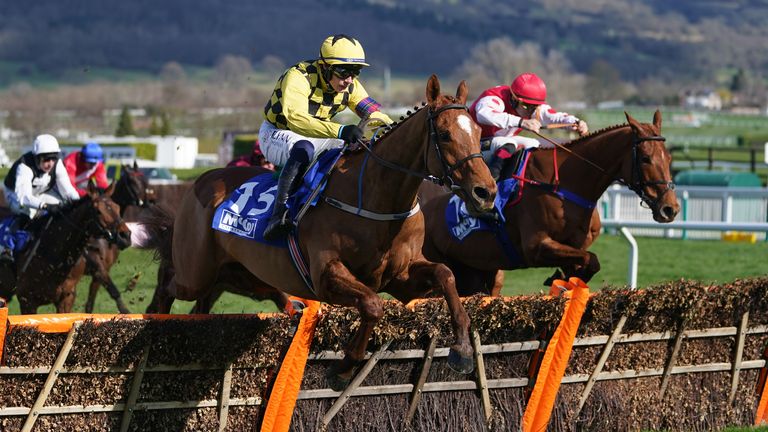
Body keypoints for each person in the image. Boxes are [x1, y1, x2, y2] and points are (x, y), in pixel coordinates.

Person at [259, 34, 393, 240]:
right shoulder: (297, 77)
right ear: (324, 67)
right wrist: (340, 130)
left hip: (316, 134)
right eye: (343, 71)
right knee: (304, 148)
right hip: (277, 133)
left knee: (356, 148)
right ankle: (279, 216)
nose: (348, 79)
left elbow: (372, 113)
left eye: (355, 72)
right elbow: (297, 120)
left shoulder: (351, 85)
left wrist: (393, 128)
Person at [468, 72, 590, 180]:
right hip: (473, 145)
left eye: (535, 107)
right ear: (513, 99)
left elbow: (553, 116)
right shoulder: (494, 97)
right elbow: (483, 115)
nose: (531, 111)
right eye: (527, 106)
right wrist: (522, 122)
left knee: (534, 145)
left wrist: (575, 122)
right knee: (507, 144)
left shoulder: (532, 106)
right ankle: (490, 182)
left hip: (497, 143)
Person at [1, 134, 81, 257]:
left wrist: (82, 204)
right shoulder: (24, 167)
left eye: (53, 158)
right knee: (27, 211)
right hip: (14, 194)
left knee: (61, 206)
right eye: (46, 159)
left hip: (40, 192)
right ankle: (7, 248)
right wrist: (44, 206)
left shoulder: (57, 164)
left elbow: (68, 191)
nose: (50, 164)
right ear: (37, 157)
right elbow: (24, 197)